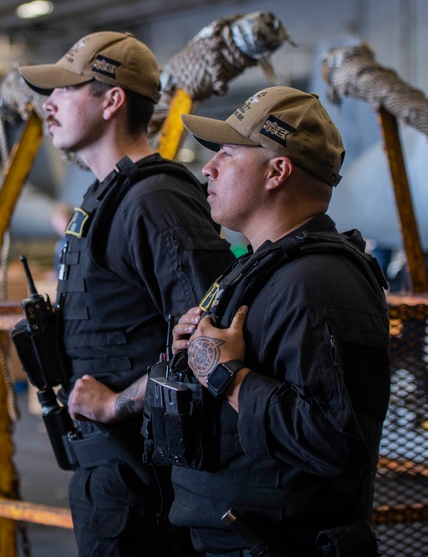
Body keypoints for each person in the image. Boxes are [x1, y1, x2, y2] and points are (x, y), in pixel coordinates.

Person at [19, 31, 234, 557]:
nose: (50, 104)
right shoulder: (103, 198)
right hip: (113, 473)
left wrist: (117, 403)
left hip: (146, 481)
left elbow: (211, 335)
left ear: (112, 100)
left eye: (67, 89)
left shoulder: (153, 199)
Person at [169, 86, 390, 556]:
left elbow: (333, 440)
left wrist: (227, 378)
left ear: (277, 171)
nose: (207, 168)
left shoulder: (314, 280)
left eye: (226, 154)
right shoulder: (261, 268)